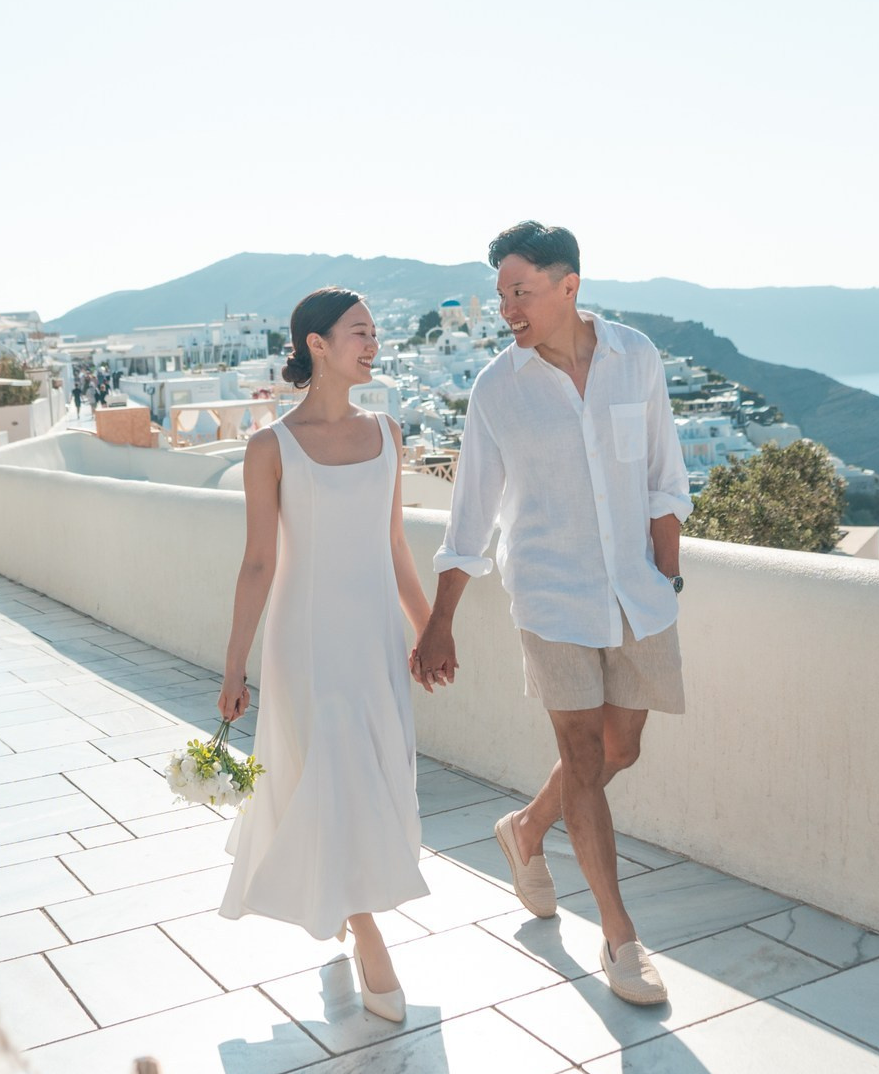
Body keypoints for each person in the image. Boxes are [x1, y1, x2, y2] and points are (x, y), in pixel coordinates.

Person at [413, 221, 690, 1006]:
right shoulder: (498, 389)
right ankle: (620, 939)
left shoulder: (636, 357)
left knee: (616, 750)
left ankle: (527, 828)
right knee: (581, 752)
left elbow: (666, 474)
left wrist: (666, 573)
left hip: (638, 592)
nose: (507, 307)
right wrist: (442, 619)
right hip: (550, 596)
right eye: (501, 293)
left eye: (520, 290)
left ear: (569, 285)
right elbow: (471, 512)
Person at [216, 287, 431, 1021]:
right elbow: (256, 563)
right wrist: (233, 665)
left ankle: (342, 894)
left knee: (379, 770)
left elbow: (395, 542)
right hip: (305, 644)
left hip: (374, 636)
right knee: (332, 771)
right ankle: (369, 934)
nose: (372, 344)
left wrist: (429, 628)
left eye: (374, 333)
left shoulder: (389, 433)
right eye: (359, 332)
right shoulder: (268, 447)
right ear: (316, 343)